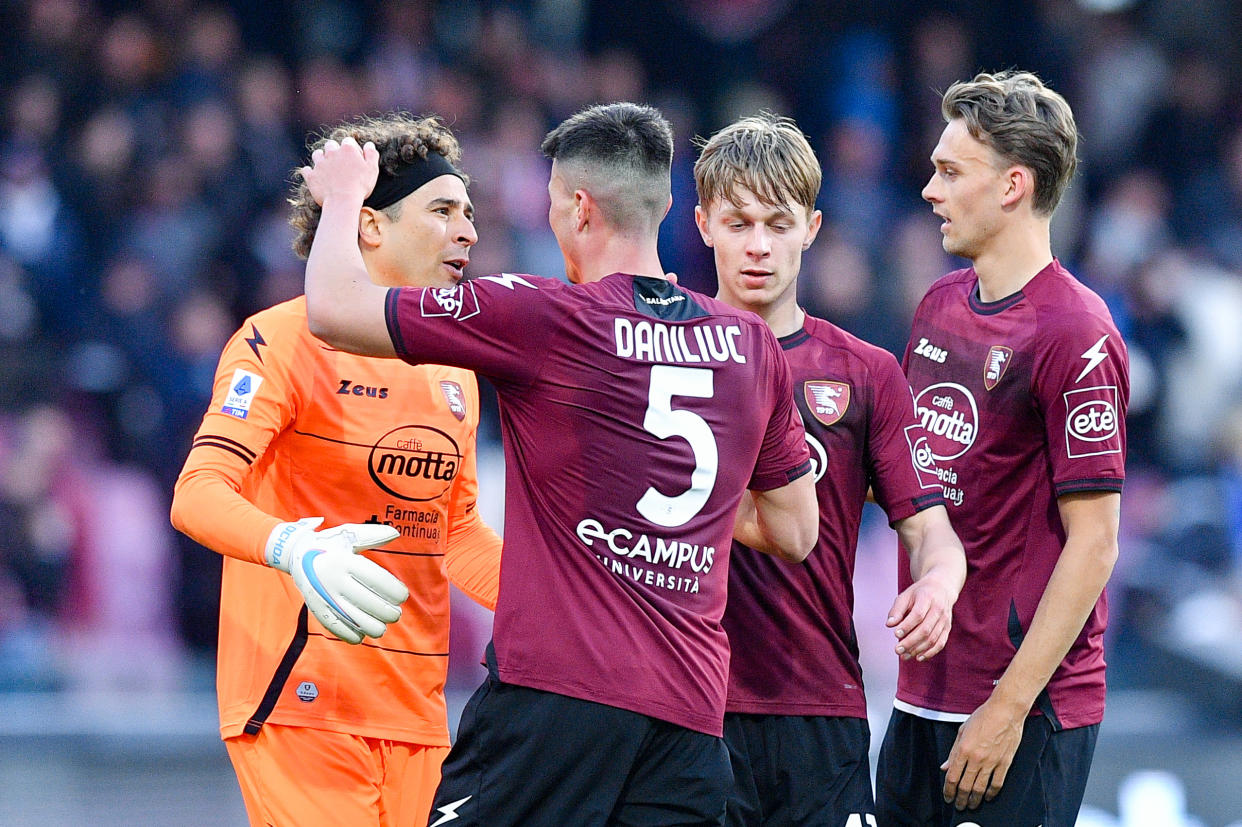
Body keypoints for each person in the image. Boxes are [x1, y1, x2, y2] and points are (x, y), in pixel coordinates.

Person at [299, 101, 818, 827]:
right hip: (691, 715)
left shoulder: (545, 317)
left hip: (554, 705)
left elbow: (331, 306)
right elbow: (797, 530)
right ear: (667, 206)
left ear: (578, 207)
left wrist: (345, 195)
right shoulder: (752, 345)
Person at [170, 112, 503, 827]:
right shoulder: (279, 340)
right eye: (443, 210)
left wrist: (558, 604)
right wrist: (294, 547)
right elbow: (196, 495)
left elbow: (458, 533)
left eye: (470, 214)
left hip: (416, 715)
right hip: (300, 698)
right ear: (371, 225)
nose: (468, 232)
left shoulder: (455, 366)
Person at [693, 113, 967, 826]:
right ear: (702, 224)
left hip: (820, 712)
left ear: (811, 228)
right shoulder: (663, 356)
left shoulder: (866, 372)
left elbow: (932, 533)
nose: (758, 245)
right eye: (739, 221)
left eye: (778, 223)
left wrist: (937, 584)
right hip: (689, 706)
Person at [875, 71, 1129, 826]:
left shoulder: (1076, 334)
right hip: (920, 691)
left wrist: (1007, 709)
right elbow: (920, 476)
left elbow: (1096, 543)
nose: (930, 190)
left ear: (1014, 184)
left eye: (951, 172)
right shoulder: (937, 305)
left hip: (1021, 707)